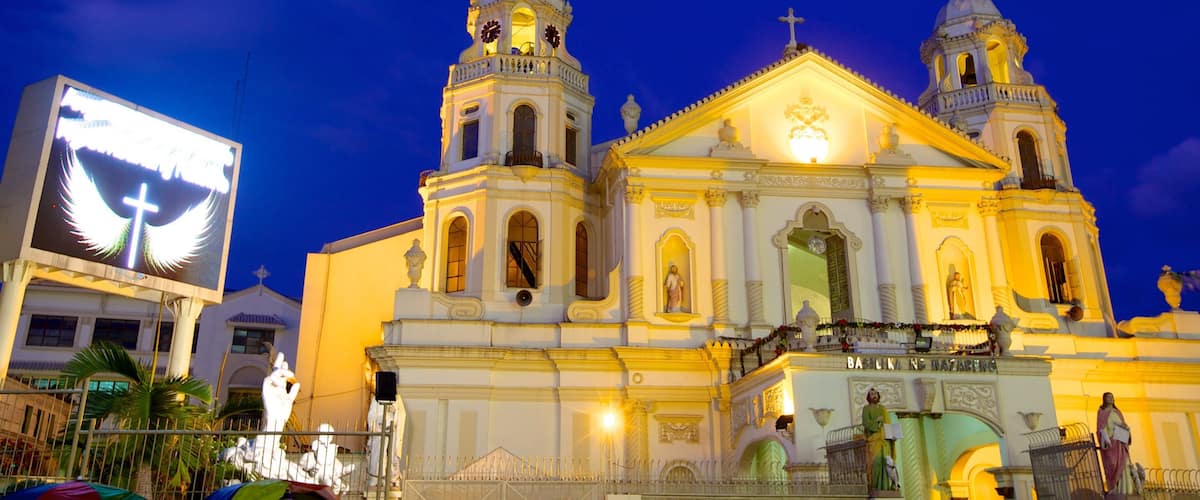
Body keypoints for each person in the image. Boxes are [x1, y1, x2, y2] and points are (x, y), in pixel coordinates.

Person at [1097, 392, 1137, 496]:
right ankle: (1116, 489)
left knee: (1125, 466)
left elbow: (1123, 424)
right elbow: (1101, 429)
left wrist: (1126, 429)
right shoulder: (1102, 412)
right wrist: (1106, 438)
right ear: (1104, 399)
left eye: (1112, 397)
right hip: (1111, 445)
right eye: (1108, 397)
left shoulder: (1117, 412)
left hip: (1121, 443)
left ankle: (1127, 490)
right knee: (1113, 465)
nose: (1110, 399)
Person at [862, 388, 897, 492]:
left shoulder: (883, 409)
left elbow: (888, 425)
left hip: (884, 441)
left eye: (875, 393)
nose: (874, 395)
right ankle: (875, 488)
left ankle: (886, 488)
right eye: (872, 394)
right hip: (874, 440)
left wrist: (892, 437)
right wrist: (876, 421)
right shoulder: (866, 409)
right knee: (876, 463)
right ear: (869, 397)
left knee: (886, 464)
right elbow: (866, 423)